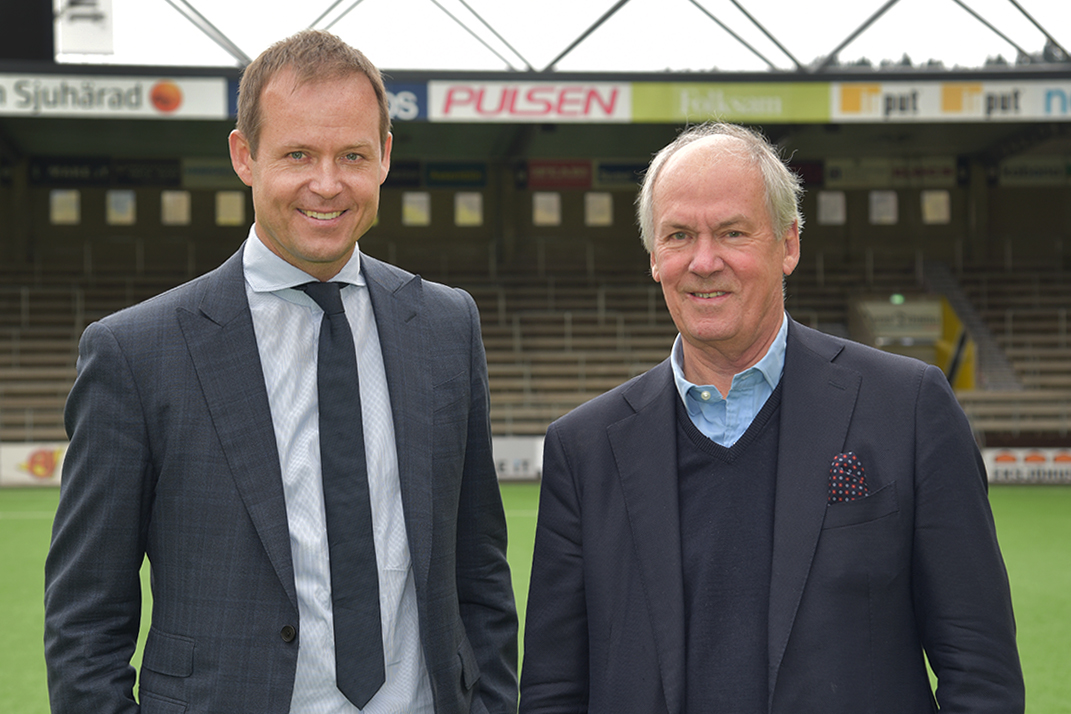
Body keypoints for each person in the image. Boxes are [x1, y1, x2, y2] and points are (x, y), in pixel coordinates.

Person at [45, 30, 517, 714]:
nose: (327, 184)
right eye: (298, 154)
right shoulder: (135, 352)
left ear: (384, 157)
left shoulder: (446, 327)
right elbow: (85, 621)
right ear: (245, 155)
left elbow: (480, 571)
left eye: (352, 155)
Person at [519, 122, 1024, 714]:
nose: (704, 261)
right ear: (655, 258)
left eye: (732, 232)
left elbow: (981, 672)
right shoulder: (584, 448)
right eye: (679, 235)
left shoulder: (908, 408)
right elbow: (553, 690)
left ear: (788, 245)